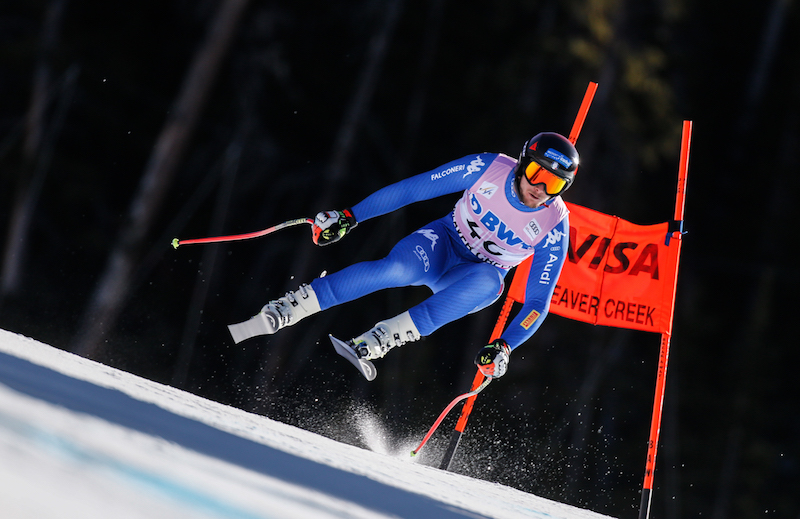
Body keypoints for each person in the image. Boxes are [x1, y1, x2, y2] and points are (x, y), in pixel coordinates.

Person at [228, 132, 577, 380]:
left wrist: (504, 346)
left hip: (469, 280)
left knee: (490, 282)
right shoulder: (487, 168)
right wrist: (351, 217)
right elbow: (414, 188)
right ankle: (293, 306)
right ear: (522, 163)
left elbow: (537, 303)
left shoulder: (554, 224)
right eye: (536, 174)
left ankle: (380, 339)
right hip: (443, 243)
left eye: (555, 184)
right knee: (398, 268)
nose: (540, 189)